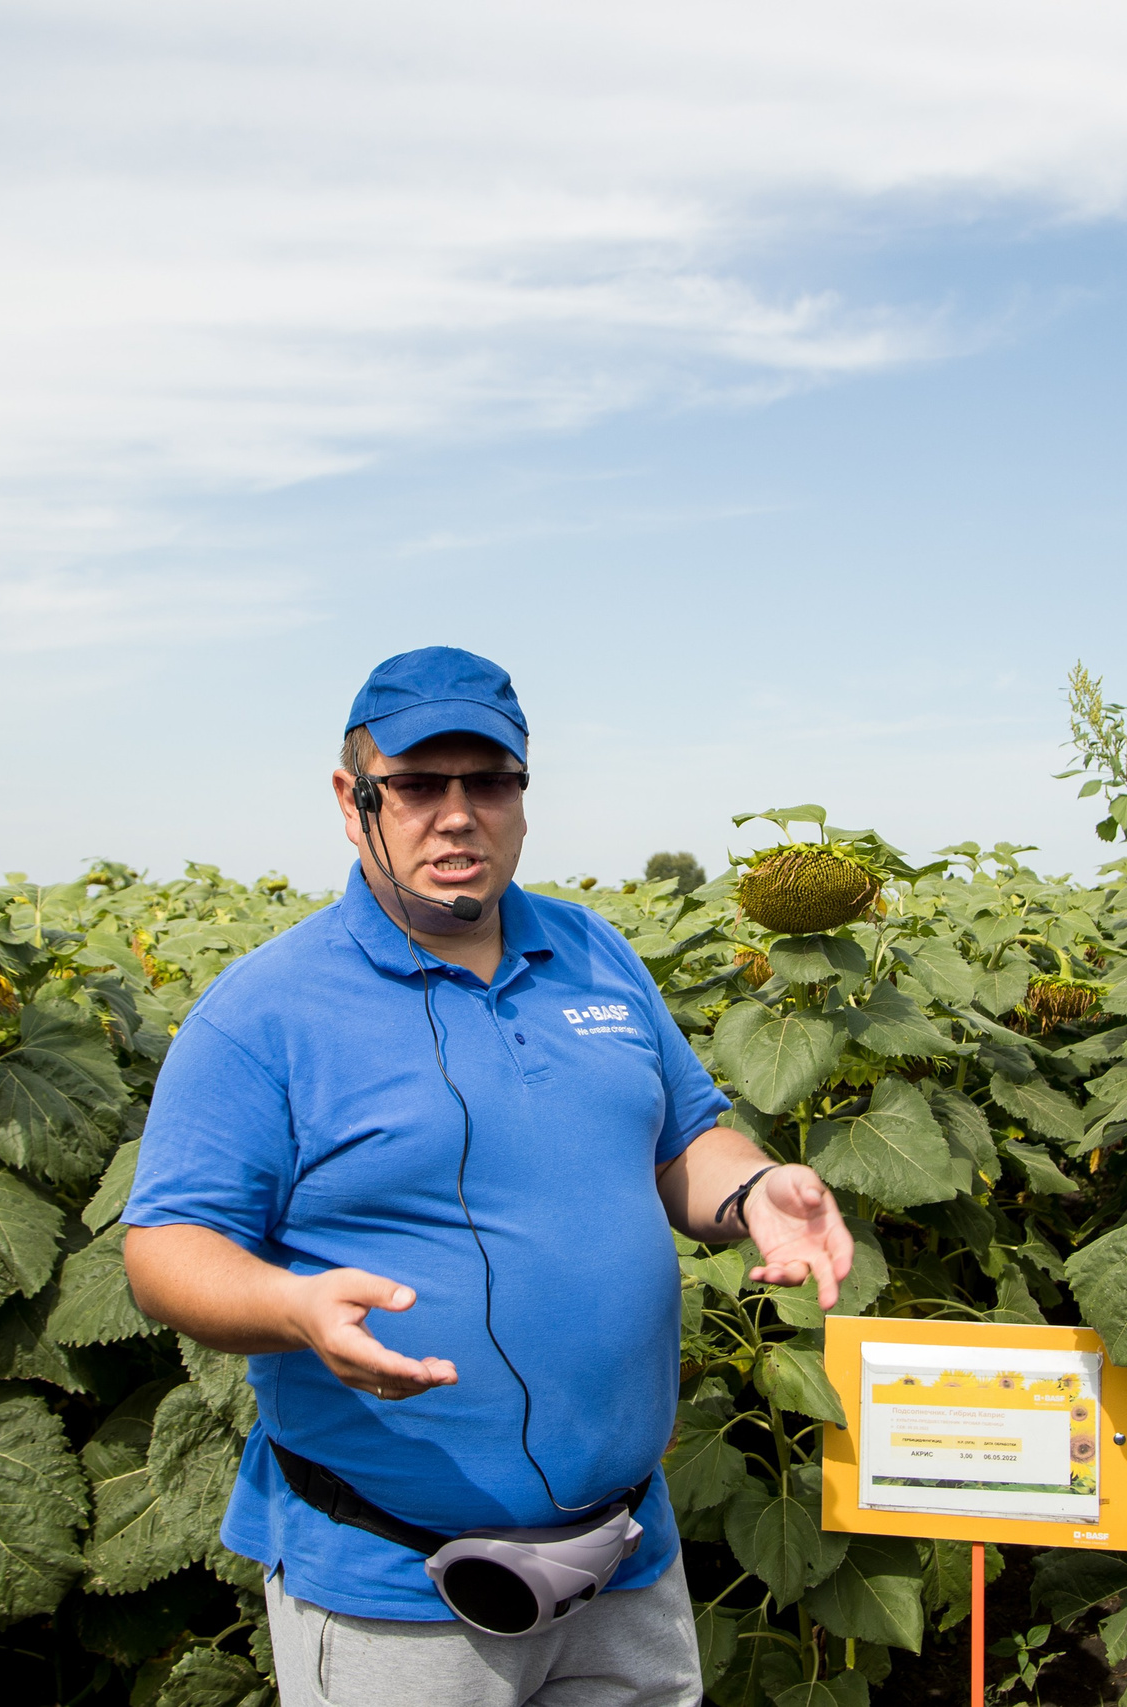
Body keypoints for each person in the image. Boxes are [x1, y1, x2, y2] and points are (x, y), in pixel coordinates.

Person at [122, 646, 854, 1707]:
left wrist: (752, 1191)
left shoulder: (596, 952)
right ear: (353, 800)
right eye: (419, 785)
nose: (457, 816)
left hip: (628, 1559)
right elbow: (164, 1251)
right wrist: (292, 1309)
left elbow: (683, 1142)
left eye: (489, 783)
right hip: (399, 1587)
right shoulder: (264, 1010)